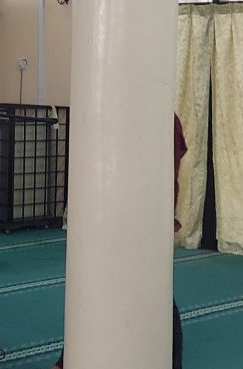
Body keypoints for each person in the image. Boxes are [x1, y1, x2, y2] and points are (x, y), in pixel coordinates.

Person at [52, 114, 186, 369]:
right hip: (115, 220)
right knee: (107, 289)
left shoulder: (158, 115)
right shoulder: (127, 109)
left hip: (145, 221)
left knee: (154, 294)